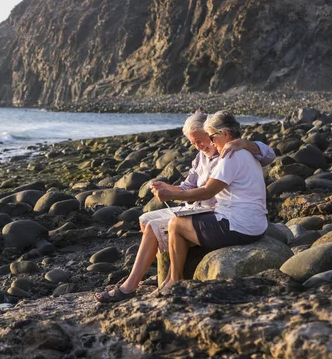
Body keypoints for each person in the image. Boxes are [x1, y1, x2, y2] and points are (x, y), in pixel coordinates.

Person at [95, 111, 274, 303]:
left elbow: (207, 192)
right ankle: (167, 273)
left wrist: (172, 194)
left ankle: (169, 280)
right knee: (148, 221)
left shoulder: (231, 155)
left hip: (232, 220)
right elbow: (192, 187)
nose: (211, 143)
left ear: (225, 134)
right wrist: (169, 189)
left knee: (175, 224)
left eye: (211, 137)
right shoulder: (234, 154)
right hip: (241, 219)